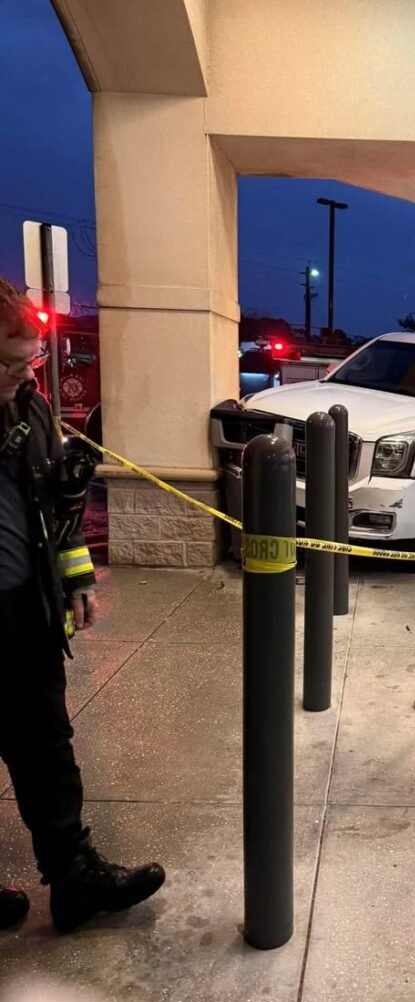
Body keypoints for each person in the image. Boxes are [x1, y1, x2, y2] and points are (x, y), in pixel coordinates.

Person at [0, 278, 165, 932]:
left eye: (31, 360)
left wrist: (77, 580)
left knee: (46, 744)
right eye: (11, 363)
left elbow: (57, 513)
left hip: (24, 610)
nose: (25, 375)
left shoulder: (33, 411)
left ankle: (74, 879)